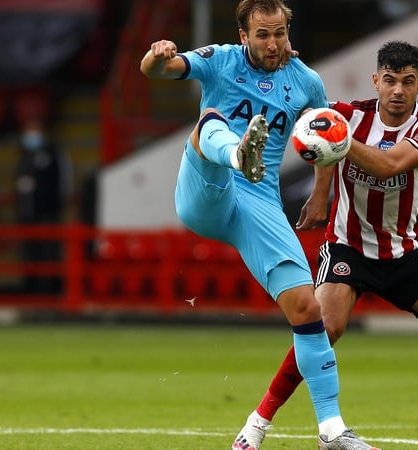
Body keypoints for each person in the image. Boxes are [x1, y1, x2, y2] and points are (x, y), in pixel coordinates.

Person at [235, 41, 418, 450]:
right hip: (347, 248)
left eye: (408, 82)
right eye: (390, 80)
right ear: (376, 80)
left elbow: (390, 164)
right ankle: (256, 425)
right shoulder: (349, 115)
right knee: (322, 329)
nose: (398, 90)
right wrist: (321, 193)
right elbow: (323, 139)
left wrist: (336, 139)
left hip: (401, 252)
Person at [139, 1, 378, 449]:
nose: (272, 43)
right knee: (209, 120)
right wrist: (157, 53)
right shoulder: (221, 59)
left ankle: (331, 430)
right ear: (243, 35)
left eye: (280, 33)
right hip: (207, 190)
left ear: (289, 31)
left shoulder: (306, 80)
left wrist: (320, 194)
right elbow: (158, 69)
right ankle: (237, 152)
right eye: (263, 34)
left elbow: (328, 133)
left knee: (308, 310)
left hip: (258, 201)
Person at [14, 117, 72, 293]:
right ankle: (31, 288)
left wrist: (56, 205)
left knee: (48, 252)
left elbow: (64, 183)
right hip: (27, 214)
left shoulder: (53, 154)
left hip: (48, 212)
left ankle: (50, 289)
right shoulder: (24, 155)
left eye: (34, 131)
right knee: (30, 253)